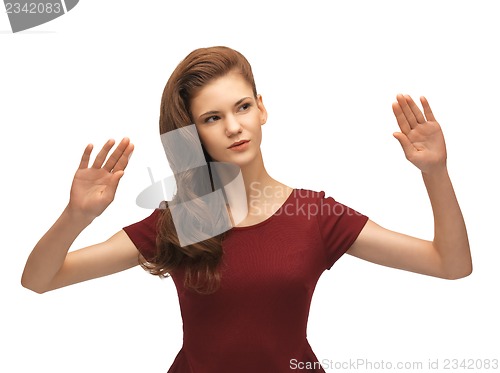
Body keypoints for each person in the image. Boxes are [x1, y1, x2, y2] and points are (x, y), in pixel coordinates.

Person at [21, 46, 472, 373]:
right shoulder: (183, 222)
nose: (234, 127)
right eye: (212, 118)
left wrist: (435, 172)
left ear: (262, 109)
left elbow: (450, 264)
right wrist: (76, 217)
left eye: (242, 107)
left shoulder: (315, 216)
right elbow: (39, 280)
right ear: (193, 133)